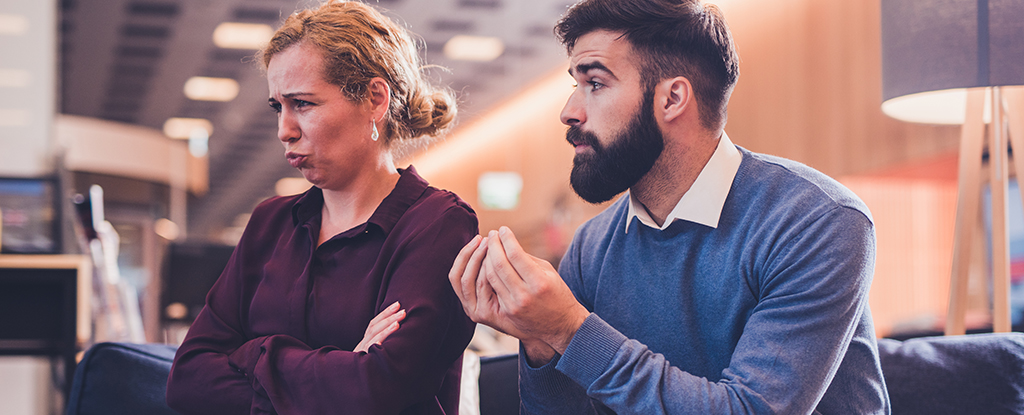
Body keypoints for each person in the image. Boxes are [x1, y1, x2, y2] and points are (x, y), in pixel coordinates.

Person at [449, 0, 890, 413]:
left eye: (595, 83)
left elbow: (749, 409)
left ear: (673, 99)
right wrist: (541, 339)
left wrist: (569, 329)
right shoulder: (592, 245)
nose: (569, 111)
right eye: (575, 85)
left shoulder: (817, 221)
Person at [166, 1, 478, 414]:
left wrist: (252, 355)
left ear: (375, 99)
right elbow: (187, 381)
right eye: (279, 106)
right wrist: (345, 367)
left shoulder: (439, 225)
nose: (284, 130)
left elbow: (378, 391)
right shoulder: (270, 222)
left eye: (304, 104)